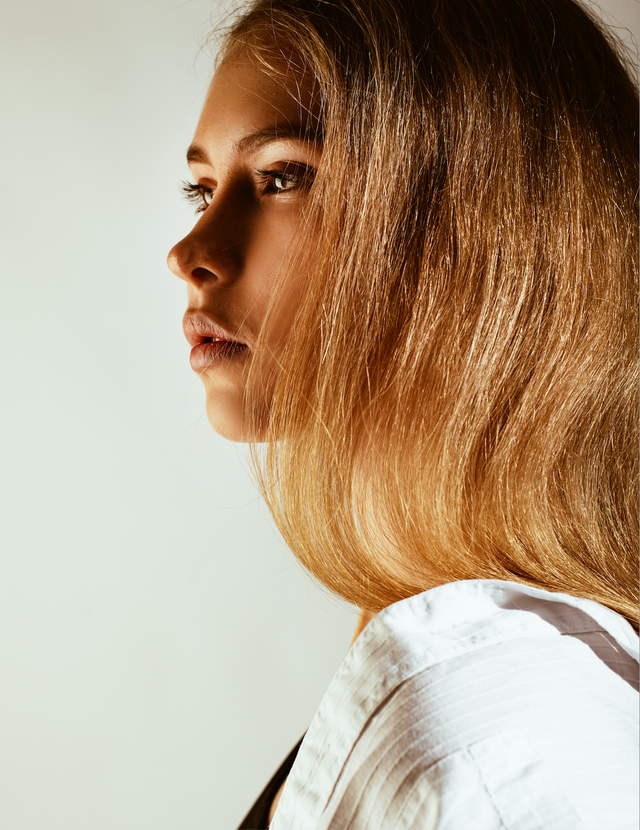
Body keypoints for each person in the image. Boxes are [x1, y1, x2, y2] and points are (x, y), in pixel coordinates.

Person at [166, 0, 639, 827]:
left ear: (479, 230)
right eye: (200, 188)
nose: (191, 252)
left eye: (284, 175)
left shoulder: (493, 753)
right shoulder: (464, 695)